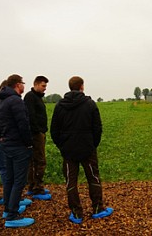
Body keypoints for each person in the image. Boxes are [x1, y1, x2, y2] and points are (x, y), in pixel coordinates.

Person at [50, 76, 113, 224]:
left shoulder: (60, 105)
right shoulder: (90, 104)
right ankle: (98, 208)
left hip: (68, 151)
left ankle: (76, 213)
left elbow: (54, 130)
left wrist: (62, 146)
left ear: (70, 87)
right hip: (87, 149)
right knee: (93, 177)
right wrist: (92, 145)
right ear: (82, 87)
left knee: (70, 182)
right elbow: (97, 128)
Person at [0, 74, 35, 228]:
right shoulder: (16, 101)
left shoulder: (2, 100)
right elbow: (23, 124)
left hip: (7, 144)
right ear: (18, 84)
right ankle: (12, 216)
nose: (24, 86)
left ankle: (8, 209)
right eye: (23, 83)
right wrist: (29, 143)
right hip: (18, 145)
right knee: (19, 180)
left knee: (10, 179)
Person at [24, 76, 51, 200]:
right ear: (35, 84)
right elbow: (31, 116)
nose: (45, 88)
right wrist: (38, 131)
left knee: (33, 161)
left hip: (37, 132)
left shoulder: (36, 97)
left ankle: (32, 186)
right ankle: (37, 188)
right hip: (35, 134)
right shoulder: (30, 97)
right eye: (43, 86)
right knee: (40, 161)